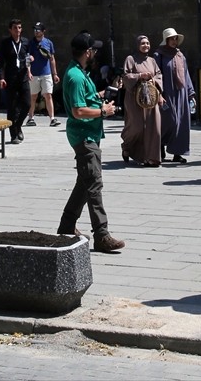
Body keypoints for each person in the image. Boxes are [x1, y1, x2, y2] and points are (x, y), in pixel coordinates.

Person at [56, 31, 125, 253]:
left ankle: (66, 226)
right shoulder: (75, 77)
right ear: (87, 52)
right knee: (94, 184)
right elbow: (77, 110)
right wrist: (103, 111)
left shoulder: (79, 72)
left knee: (85, 183)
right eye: (93, 49)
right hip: (83, 136)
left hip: (88, 134)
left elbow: (87, 99)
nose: (95, 52)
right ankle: (102, 235)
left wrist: (106, 92)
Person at [120, 35, 163, 166]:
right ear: (138, 45)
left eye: (148, 43)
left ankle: (152, 158)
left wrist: (154, 83)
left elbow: (159, 75)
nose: (146, 46)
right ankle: (127, 146)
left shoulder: (152, 60)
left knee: (154, 127)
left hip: (150, 98)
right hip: (135, 98)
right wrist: (139, 76)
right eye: (143, 43)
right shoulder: (131, 59)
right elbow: (126, 76)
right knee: (136, 126)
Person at [155, 27, 195, 163]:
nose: (174, 41)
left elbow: (186, 74)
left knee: (182, 122)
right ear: (166, 40)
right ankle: (159, 146)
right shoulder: (159, 55)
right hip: (166, 93)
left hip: (181, 93)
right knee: (169, 120)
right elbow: (156, 75)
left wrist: (190, 92)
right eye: (171, 38)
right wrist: (159, 93)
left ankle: (178, 153)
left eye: (175, 38)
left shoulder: (180, 55)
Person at [0, 19, 32, 144]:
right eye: (15, 28)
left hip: (23, 78)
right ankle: (13, 135)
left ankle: (18, 125)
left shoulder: (26, 42)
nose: (18, 30)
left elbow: (27, 57)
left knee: (27, 104)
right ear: (10, 30)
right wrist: (1, 77)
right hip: (10, 79)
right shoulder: (5, 43)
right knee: (12, 108)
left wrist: (29, 69)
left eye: (20, 28)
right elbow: (0, 63)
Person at [26, 22, 61, 127]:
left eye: (38, 30)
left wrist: (55, 74)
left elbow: (52, 59)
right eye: (35, 30)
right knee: (33, 96)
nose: (36, 32)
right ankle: (30, 118)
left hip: (46, 73)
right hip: (34, 74)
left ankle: (52, 119)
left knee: (48, 96)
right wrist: (29, 72)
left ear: (43, 31)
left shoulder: (49, 43)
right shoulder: (30, 43)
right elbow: (27, 59)